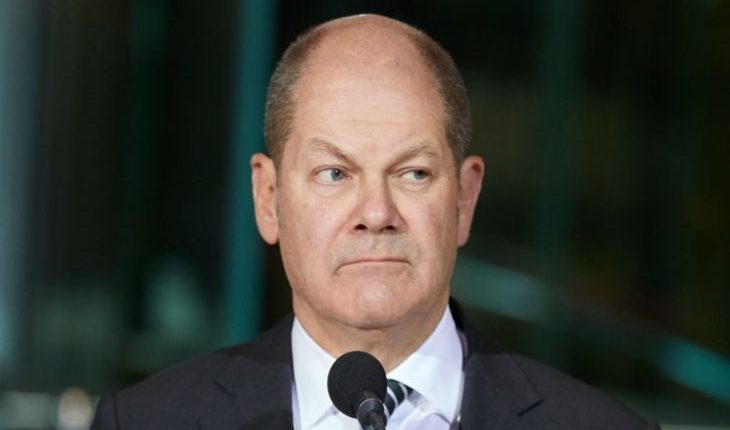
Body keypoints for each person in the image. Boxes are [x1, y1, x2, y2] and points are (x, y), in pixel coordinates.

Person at [91, 14, 660, 430]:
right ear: (268, 198)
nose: (375, 214)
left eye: (413, 173)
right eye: (334, 174)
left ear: (464, 199)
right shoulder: (144, 422)